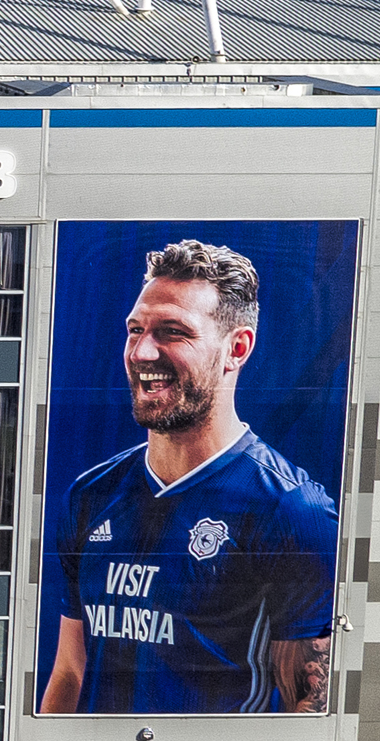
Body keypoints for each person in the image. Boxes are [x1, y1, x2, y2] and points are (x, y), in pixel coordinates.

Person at [40, 240, 335, 714]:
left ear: (236, 348)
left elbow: (308, 701)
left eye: (172, 332)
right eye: (135, 330)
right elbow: (71, 670)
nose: (141, 352)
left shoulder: (293, 509)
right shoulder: (90, 494)